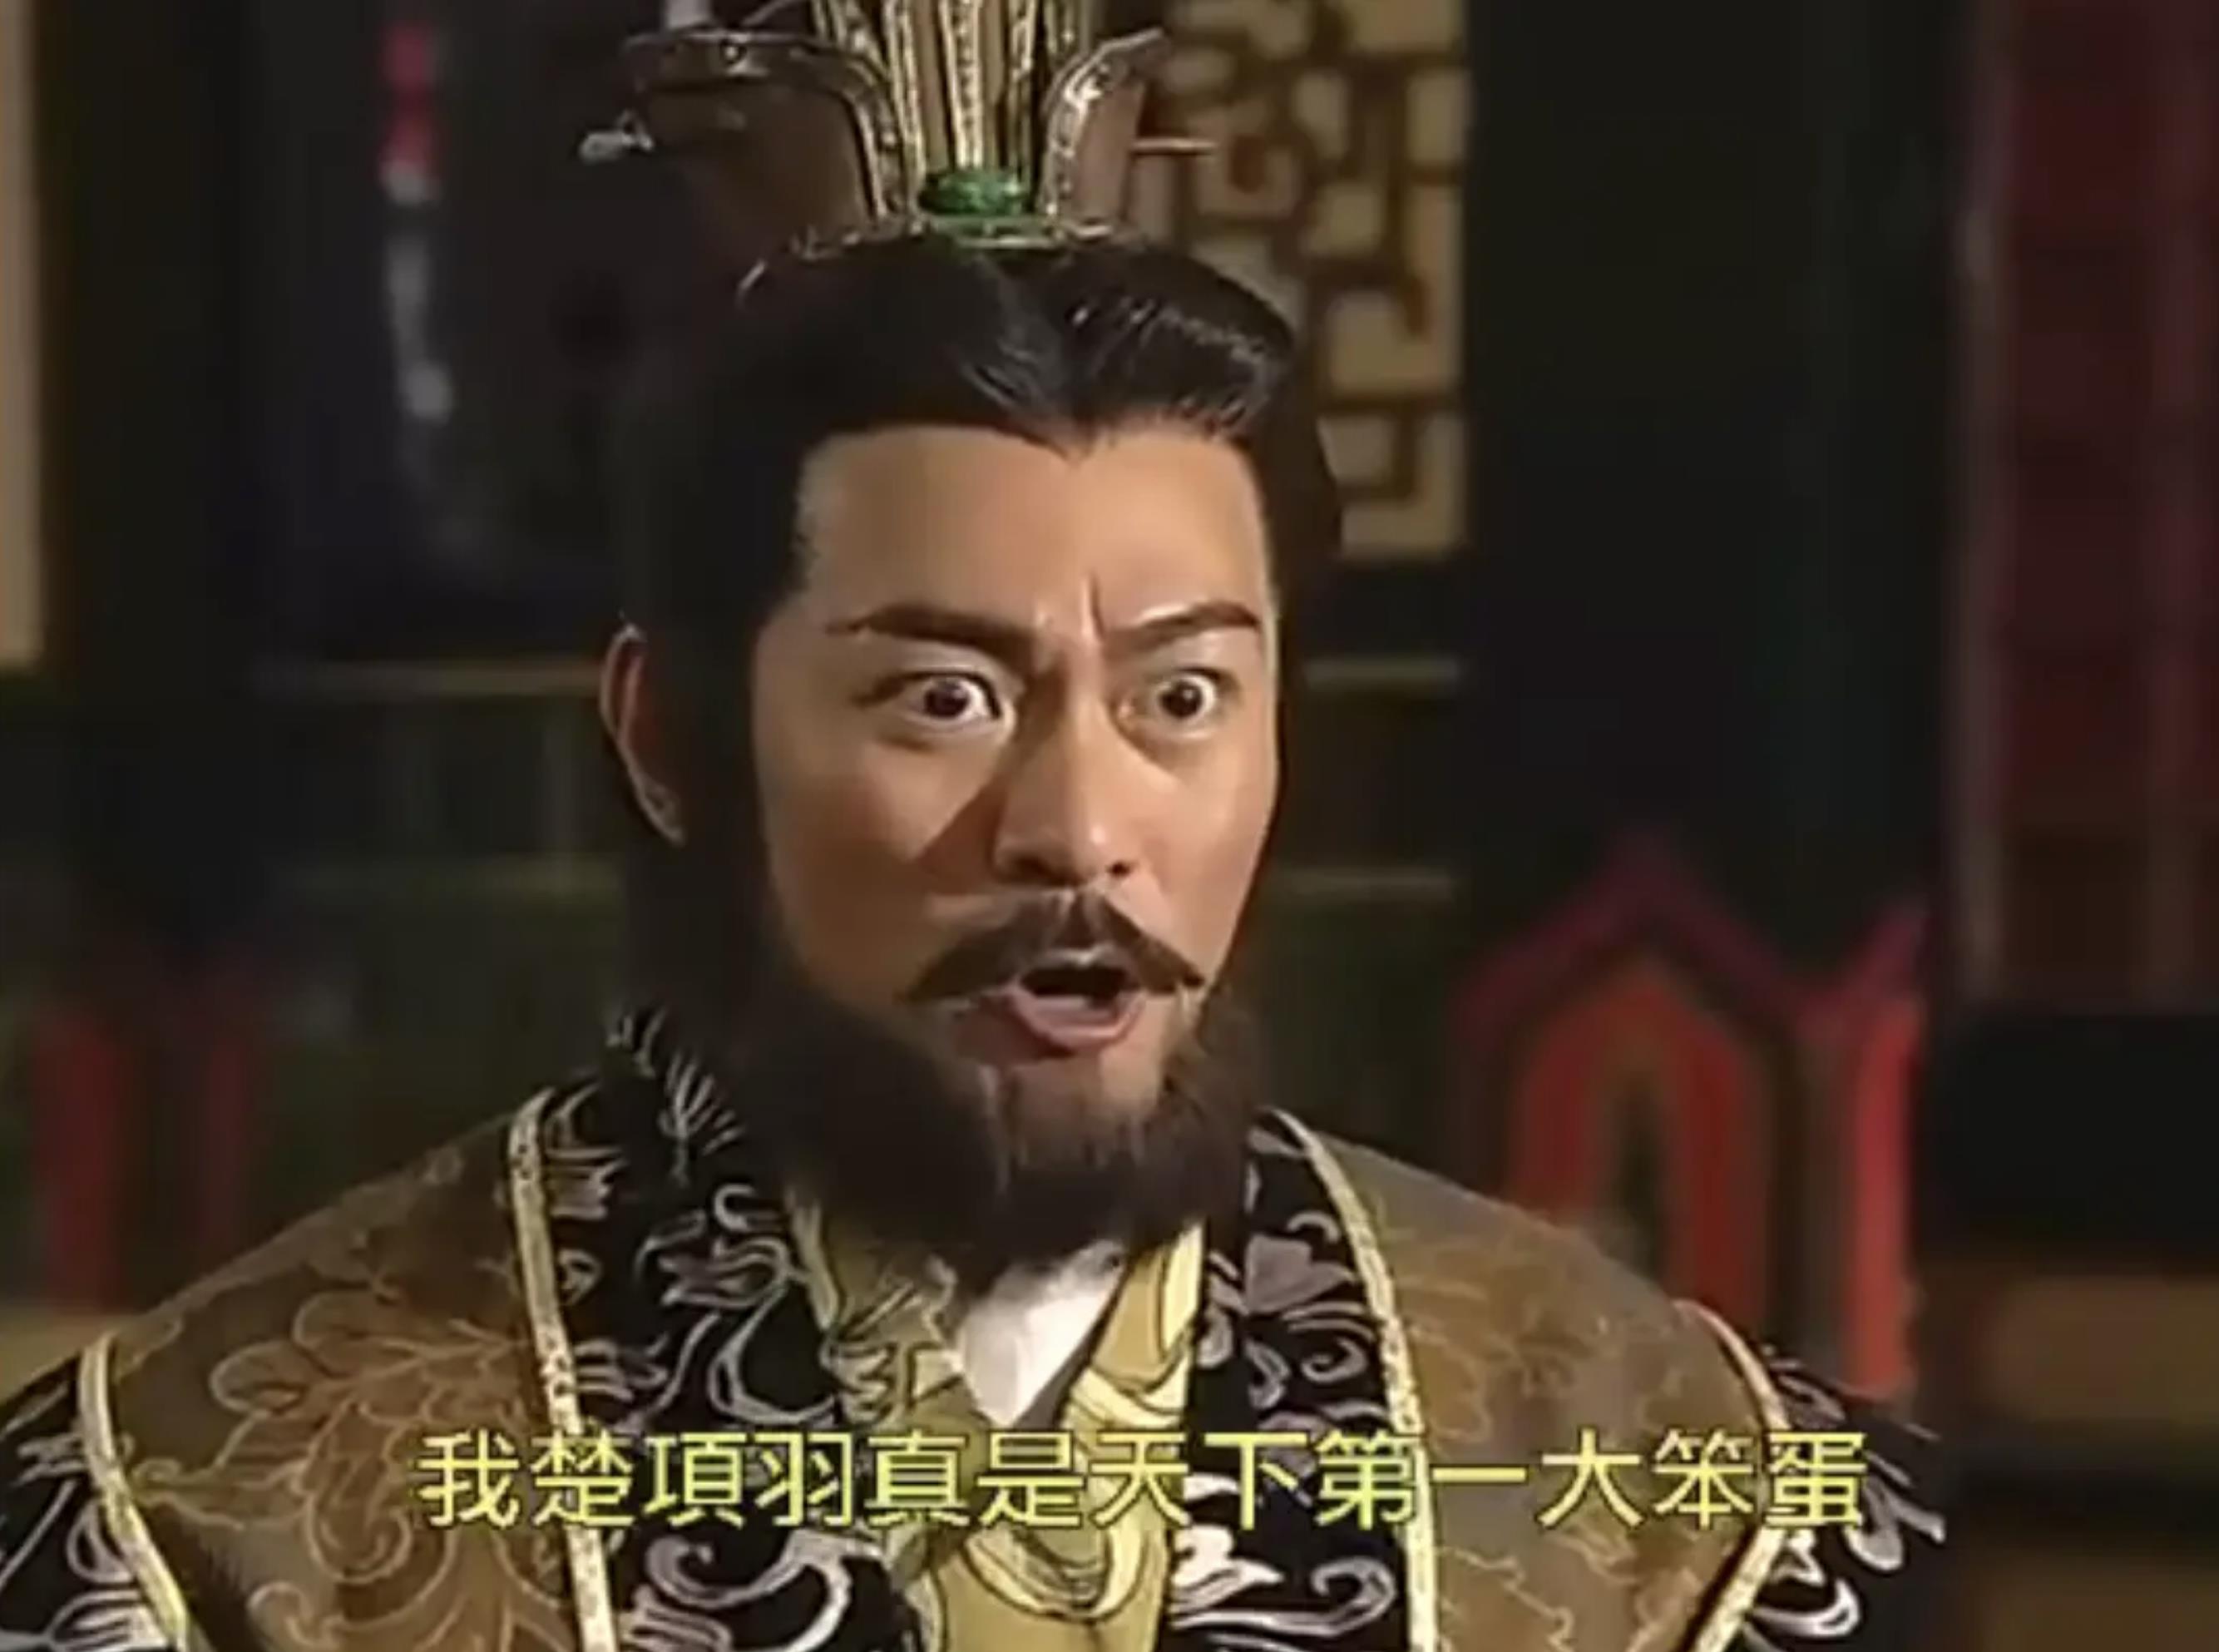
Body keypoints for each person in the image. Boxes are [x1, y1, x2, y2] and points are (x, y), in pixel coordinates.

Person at [0, 6, 1946, 1648]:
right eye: (942, 699)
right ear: (668, 736)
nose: (1078, 831)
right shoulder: (209, 1520)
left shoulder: (1676, 1499)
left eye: (1181, 697)